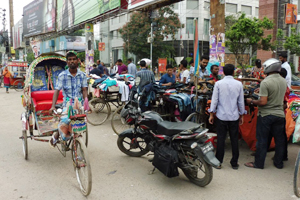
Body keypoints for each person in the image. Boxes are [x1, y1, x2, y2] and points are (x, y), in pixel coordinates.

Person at [245, 58, 287, 169]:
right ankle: (279, 163)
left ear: (269, 67)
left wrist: (252, 101)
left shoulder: (266, 82)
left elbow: (263, 102)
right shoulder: (283, 81)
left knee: (262, 140)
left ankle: (259, 163)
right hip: (280, 115)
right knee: (280, 140)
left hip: (266, 115)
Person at [208, 64, 245, 170]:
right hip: (234, 116)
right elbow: (241, 102)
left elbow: (214, 100)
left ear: (223, 72)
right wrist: (242, 114)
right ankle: (234, 163)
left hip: (221, 116)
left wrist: (211, 113)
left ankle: (219, 161)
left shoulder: (218, 84)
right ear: (233, 72)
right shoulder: (239, 84)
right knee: (234, 139)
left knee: (221, 139)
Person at [49, 51, 88, 147]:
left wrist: (87, 104)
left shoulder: (82, 75)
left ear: (78, 61)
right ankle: (57, 135)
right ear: (67, 62)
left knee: (82, 120)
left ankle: (77, 139)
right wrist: (53, 106)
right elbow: (57, 91)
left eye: (74, 59)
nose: (72, 61)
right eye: (70, 60)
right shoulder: (62, 75)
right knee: (66, 120)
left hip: (79, 104)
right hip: (67, 104)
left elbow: (84, 90)